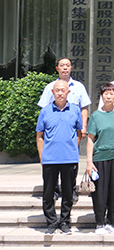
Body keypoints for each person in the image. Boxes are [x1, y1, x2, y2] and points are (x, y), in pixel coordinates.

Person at [36, 80, 83, 235]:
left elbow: (79, 133)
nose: (60, 93)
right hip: (50, 159)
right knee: (48, 193)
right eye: (57, 90)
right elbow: (39, 136)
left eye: (63, 90)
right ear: (53, 92)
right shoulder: (45, 111)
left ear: (68, 92)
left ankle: (64, 222)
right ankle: (51, 222)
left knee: (68, 194)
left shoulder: (75, 110)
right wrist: (42, 156)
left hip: (69, 158)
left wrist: (73, 149)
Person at [86, 83, 114, 235]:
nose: (109, 96)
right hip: (100, 158)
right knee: (100, 192)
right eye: (106, 93)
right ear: (101, 96)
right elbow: (90, 139)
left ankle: (112, 223)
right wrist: (89, 162)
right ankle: (100, 223)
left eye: (111, 93)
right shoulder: (96, 115)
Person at [38, 57, 91, 138]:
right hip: (54, 129)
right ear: (57, 68)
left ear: (71, 68)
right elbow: (44, 109)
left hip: (74, 128)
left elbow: (83, 108)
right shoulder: (50, 87)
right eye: (62, 65)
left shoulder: (79, 86)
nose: (65, 68)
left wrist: (84, 126)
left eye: (67, 65)